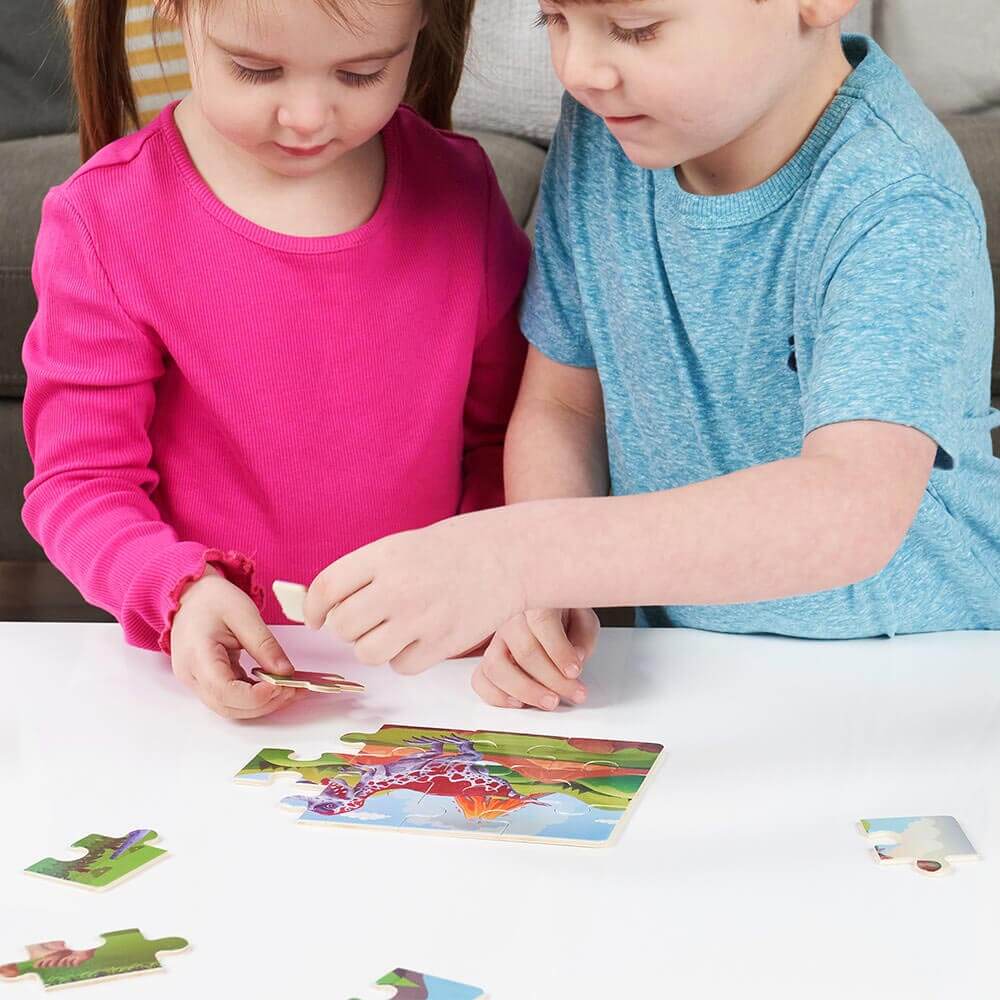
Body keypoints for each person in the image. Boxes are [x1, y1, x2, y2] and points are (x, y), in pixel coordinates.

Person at [303, 0, 1000, 711]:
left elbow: (851, 509)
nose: (579, 71)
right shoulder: (614, 125)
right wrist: (545, 596)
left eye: (637, 30)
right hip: (692, 669)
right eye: (556, 21)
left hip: (920, 674)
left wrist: (519, 557)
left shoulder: (899, 199)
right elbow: (563, 401)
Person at [22, 0, 529, 719]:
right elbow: (80, 482)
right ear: (175, 16)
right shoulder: (105, 217)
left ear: (421, 28)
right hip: (203, 680)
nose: (306, 117)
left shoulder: (461, 191)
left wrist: (495, 586)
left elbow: (506, 440)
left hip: (443, 677)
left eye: (361, 74)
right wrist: (176, 590)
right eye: (255, 70)